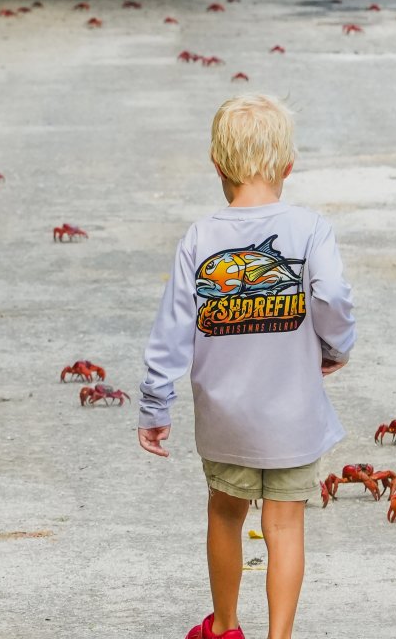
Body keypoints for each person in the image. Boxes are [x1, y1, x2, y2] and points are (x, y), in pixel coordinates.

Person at [138, 94, 356, 639]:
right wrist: (335, 347)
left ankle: (225, 627)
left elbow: (170, 330)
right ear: (288, 164)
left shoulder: (199, 238)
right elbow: (331, 296)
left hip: (226, 419)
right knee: (283, 526)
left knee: (226, 513)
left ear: (217, 164)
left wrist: (154, 404)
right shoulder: (310, 231)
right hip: (294, 417)